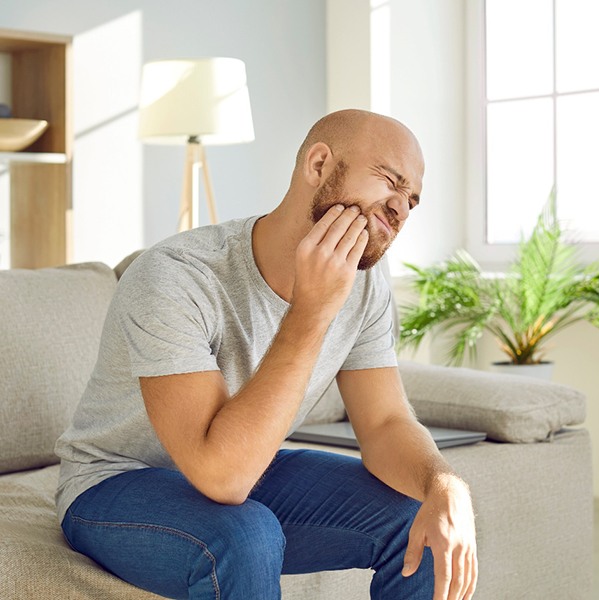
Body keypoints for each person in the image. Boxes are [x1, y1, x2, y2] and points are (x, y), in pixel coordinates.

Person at [55, 109, 477, 600]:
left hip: (249, 461)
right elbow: (223, 477)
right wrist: (312, 310)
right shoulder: (175, 276)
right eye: (389, 180)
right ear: (319, 165)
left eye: (412, 200)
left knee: (417, 513)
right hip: (114, 483)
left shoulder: (366, 286)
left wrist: (442, 483)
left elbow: (384, 423)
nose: (400, 208)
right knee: (245, 535)